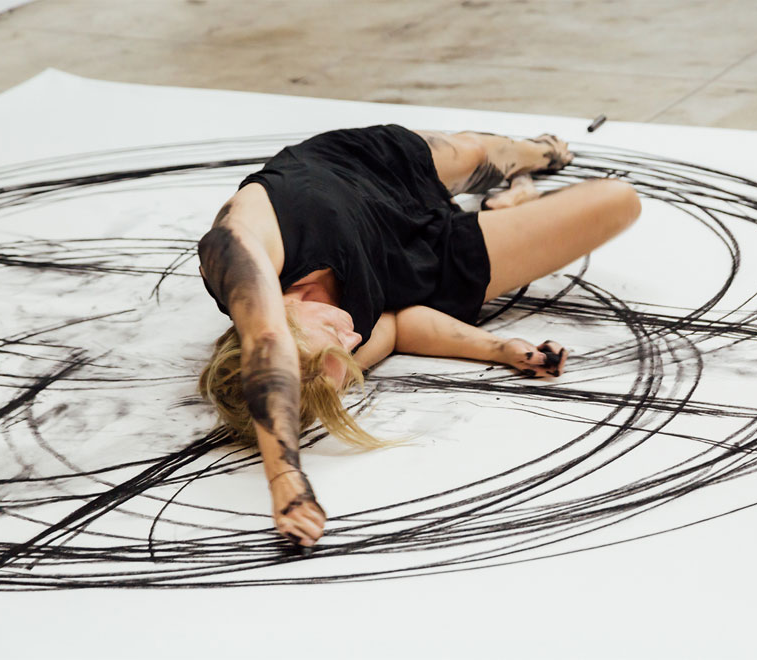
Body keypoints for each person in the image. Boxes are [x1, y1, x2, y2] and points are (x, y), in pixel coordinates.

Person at [197, 125, 641, 548]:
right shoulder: (330, 365)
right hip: (424, 263)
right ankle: (514, 200)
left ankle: (533, 155)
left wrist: (284, 477)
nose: (353, 341)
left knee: (477, 154)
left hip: (368, 173)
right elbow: (397, 328)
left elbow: (268, 338)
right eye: (350, 354)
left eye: (334, 335)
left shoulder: (233, 254)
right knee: (618, 200)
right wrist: (501, 349)